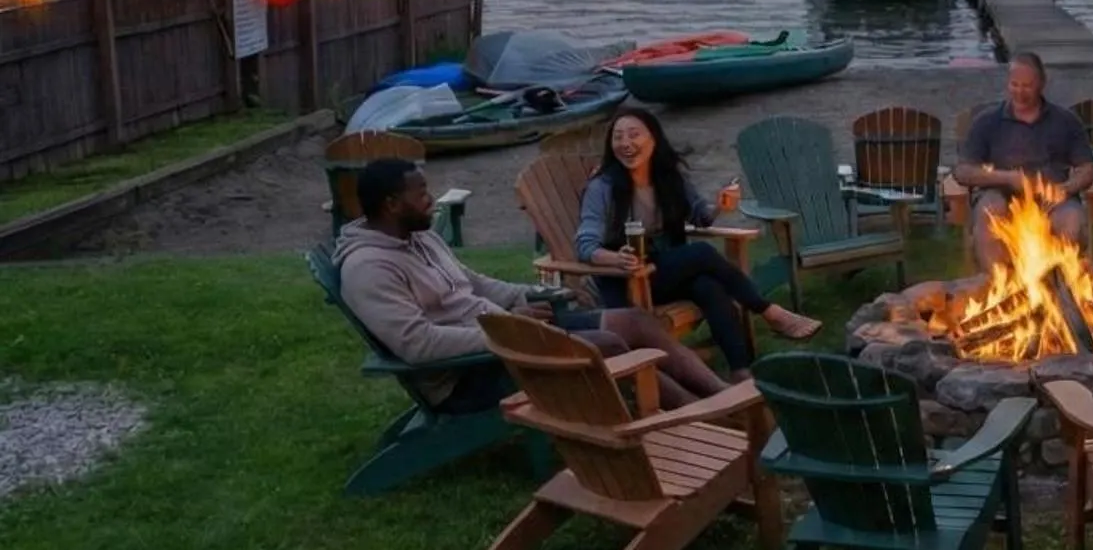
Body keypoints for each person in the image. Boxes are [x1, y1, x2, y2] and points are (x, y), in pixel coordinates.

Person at [335, 157, 729, 410]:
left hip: (506, 336)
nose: (431, 200)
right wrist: (510, 330)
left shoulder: (420, 238)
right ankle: (703, 416)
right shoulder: (368, 269)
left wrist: (535, 294)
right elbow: (418, 344)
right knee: (607, 346)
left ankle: (721, 396)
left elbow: (475, 284)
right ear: (391, 204)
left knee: (636, 321)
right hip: (470, 374)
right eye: (421, 194)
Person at [576, 107, 816, 374]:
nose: (625, 143)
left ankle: (742, 372)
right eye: (618, 137)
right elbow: (585, 246)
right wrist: (615, 258)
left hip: (662, 272)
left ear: (654, 139)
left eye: (634, 135)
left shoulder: (668, 178)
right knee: (701, 252)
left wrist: (720, 206)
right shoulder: (603, 187)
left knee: (708, 287)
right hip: (628, 280)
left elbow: (700, 217)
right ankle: (768, 311)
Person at [954, 53, 1093, 268]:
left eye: (1027, 86)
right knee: (989, 212)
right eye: (1015, 85)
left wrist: (1066, 188)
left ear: (1042, 83)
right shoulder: (987, 121)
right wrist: (1006, 177)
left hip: (1053, 198)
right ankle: (997, 282)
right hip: (1001, 195)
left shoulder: (1065, 121)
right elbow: (963, 171)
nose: (1020, 92)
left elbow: (1088, 168)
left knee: (1072, 221)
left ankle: (1060, 282)